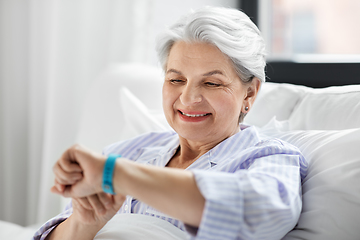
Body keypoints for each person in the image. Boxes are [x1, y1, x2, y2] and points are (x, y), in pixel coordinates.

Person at [33, 6, 308, 240]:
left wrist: (119, 176)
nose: (188, 98)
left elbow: (261, 213)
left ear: (249, 93)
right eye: (176, 79)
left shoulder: (269, 157)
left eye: (211, 83)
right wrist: (84, 222)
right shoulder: (128, 152)